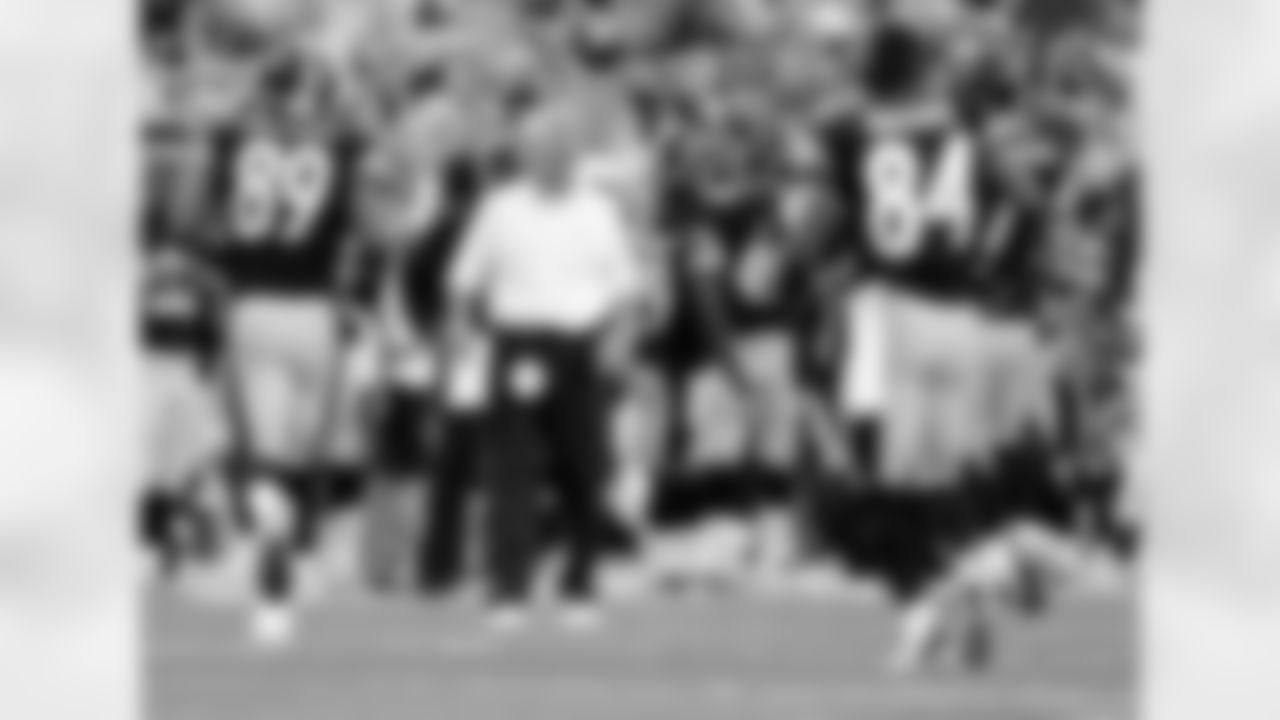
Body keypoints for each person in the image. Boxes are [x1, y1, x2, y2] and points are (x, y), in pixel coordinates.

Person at [447, 101, 644, 632]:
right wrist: (468, 337)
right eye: (537, 151)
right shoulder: (501, 209)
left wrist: (618, 342)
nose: (549, 160)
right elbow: (464, 283)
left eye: (558, 150)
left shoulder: (598, 211)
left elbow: (625, 289)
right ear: (526, 157)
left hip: (581, 344)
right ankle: (508, 587)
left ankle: (580, 583)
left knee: (584, 469)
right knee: (510, 471)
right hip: (519, 345)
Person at [205, 58, 365, 646]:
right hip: (314, 310)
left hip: (252, 308)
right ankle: (285, 577)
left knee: (269, 458)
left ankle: (271, 587)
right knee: (300, 455)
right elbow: (362, 225)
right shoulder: (338, 152)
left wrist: (259, 84)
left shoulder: (235, 148)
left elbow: (206, 215)